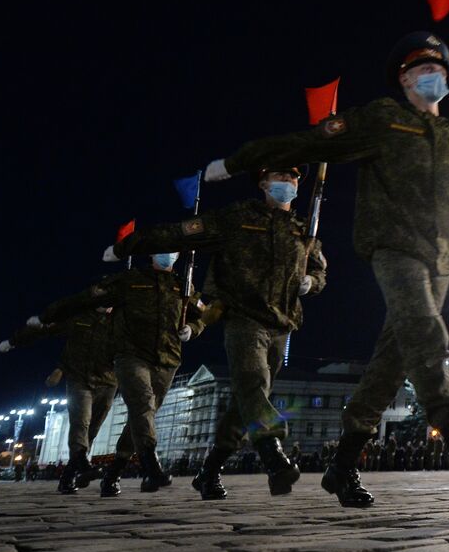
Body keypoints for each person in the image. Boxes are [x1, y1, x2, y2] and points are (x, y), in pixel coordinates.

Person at [202, 31, 449, 508]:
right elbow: (309, 142)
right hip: (394, 248)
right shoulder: (384, 120)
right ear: (405, 77)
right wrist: (236, 162)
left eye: (439, 70)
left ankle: (343, 463)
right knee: (427, 335)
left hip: (442, 261)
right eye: (423, 69)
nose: (433, 76)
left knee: (391, 365)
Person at [108, 165, 328, 500]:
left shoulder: (303, 229)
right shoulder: (237, 217)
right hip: (242, 317)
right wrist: (129, 247)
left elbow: (318, 269)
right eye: (280, 177)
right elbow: (181, 232)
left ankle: (209, 471)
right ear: (263, 182)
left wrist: (312, 282)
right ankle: (274, 455)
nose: (289, 183)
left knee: (247, 402)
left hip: (282, 325)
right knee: (253, 384)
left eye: (293, 177)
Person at [31, 251, 205, 496]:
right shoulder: (129, 280)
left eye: (173, 251)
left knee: (144, 415)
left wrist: (193, 328)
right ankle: (150, 464)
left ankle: (113, 472)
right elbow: (85, 298)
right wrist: (45, 316)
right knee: (142, 405)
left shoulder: (183, 285)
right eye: (162, 250)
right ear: (152, 254)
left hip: (167, 359)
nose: (168, 255)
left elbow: (203, 314)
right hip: (131, 356)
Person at [0, 306, 119, 494]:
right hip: (79, 378)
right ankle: (83, 467)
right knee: (81, 423)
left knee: (92, 430)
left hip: (109, 382)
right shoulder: (79, 317)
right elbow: (46, 328)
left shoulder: (122, 321)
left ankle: (68, 477)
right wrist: (14, 341)